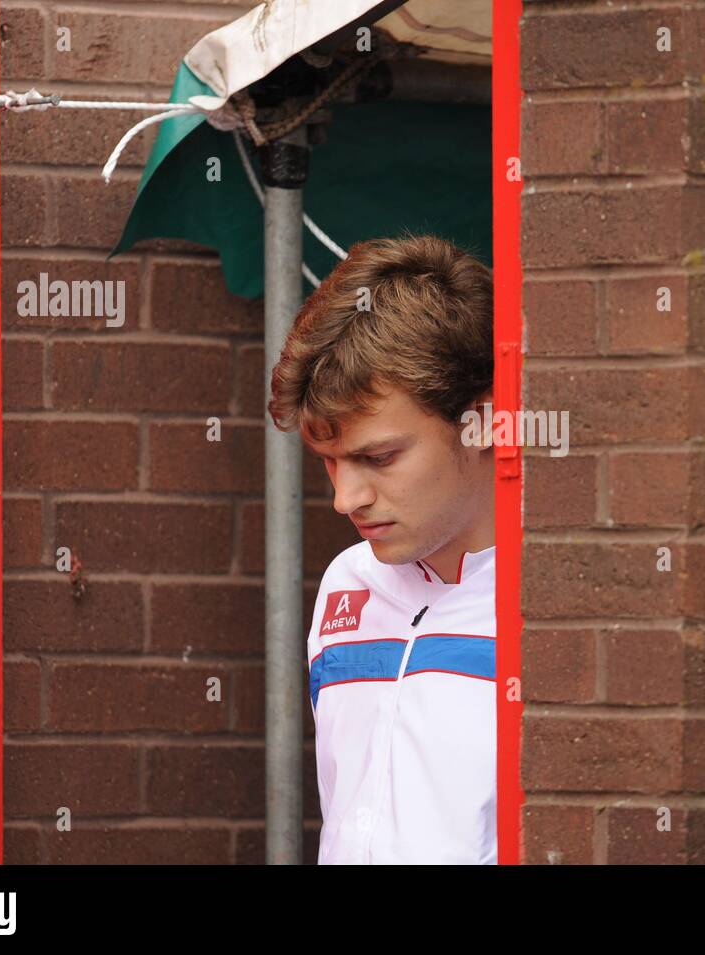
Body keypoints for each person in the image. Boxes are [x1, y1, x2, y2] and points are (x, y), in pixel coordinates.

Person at [268, 233, 496, 864]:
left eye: (378, 457)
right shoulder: (347, 583)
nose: (347, 499)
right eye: (329, 463)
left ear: (484, 421)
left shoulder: (559, 602)